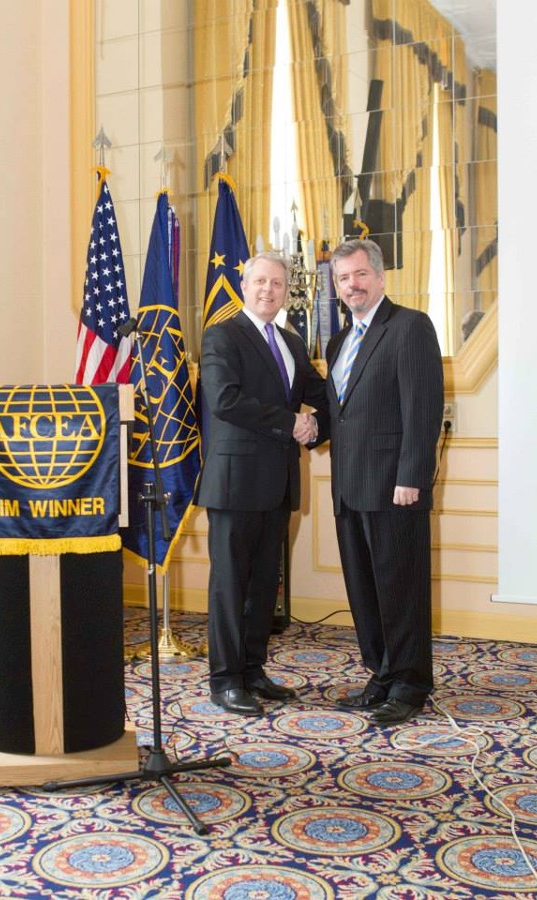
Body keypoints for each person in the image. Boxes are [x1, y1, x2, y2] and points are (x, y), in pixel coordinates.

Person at [195, 251, 328, 716]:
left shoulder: (291, 343)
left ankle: (252, 671)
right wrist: (292, 423)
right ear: (244, 286)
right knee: (230, 584)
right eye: (260, 282)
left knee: (262, 587)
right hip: (235, 483)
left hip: (277, 484)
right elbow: (225, 401)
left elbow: (321, 393)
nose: (268, 290)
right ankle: (225, 680)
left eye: (276, 283)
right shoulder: (222, 336)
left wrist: (322, 425)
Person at [325, 239, 444, 726]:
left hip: (395, 488)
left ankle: (410, 683)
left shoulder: (410, 326)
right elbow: (344, 414)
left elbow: (423, 408)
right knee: (366, 590)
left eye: (359, 275)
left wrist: (412, 476)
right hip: (350, 489)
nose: (352, 285)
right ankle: (382, 673)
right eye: (343, 279)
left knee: (401, 587)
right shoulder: (337, 343)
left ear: (380, 276)